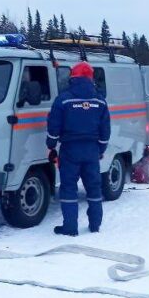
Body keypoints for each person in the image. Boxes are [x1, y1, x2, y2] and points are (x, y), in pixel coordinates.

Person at [46, 62, 111, 236]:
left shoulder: (64, 99)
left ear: (72, 78)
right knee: (94, 189)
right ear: (90, 78)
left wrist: (51, 146)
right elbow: (105, 130)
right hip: (92, 151)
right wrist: (101, 149)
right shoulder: (100, 100)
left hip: (70, 150)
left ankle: (70, 227)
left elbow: (54, 127)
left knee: (68, 188)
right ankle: (95, 225)